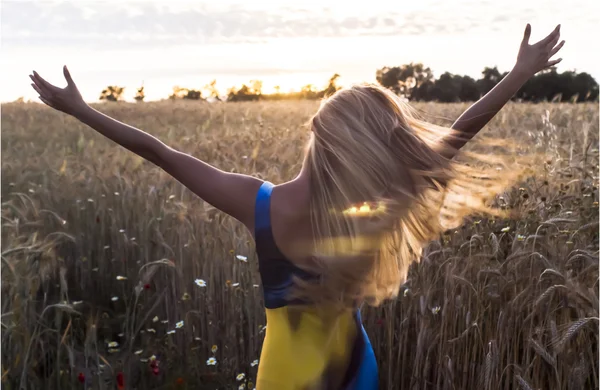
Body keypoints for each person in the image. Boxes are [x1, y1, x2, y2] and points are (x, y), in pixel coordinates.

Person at [30, 23, 563, 390]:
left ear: (316, 134)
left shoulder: (259, 205)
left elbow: (159, 151)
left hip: (285, 374)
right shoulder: (371, 213)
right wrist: (518, 75)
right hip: (353, 369)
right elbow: (455, 137)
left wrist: (80, 109)